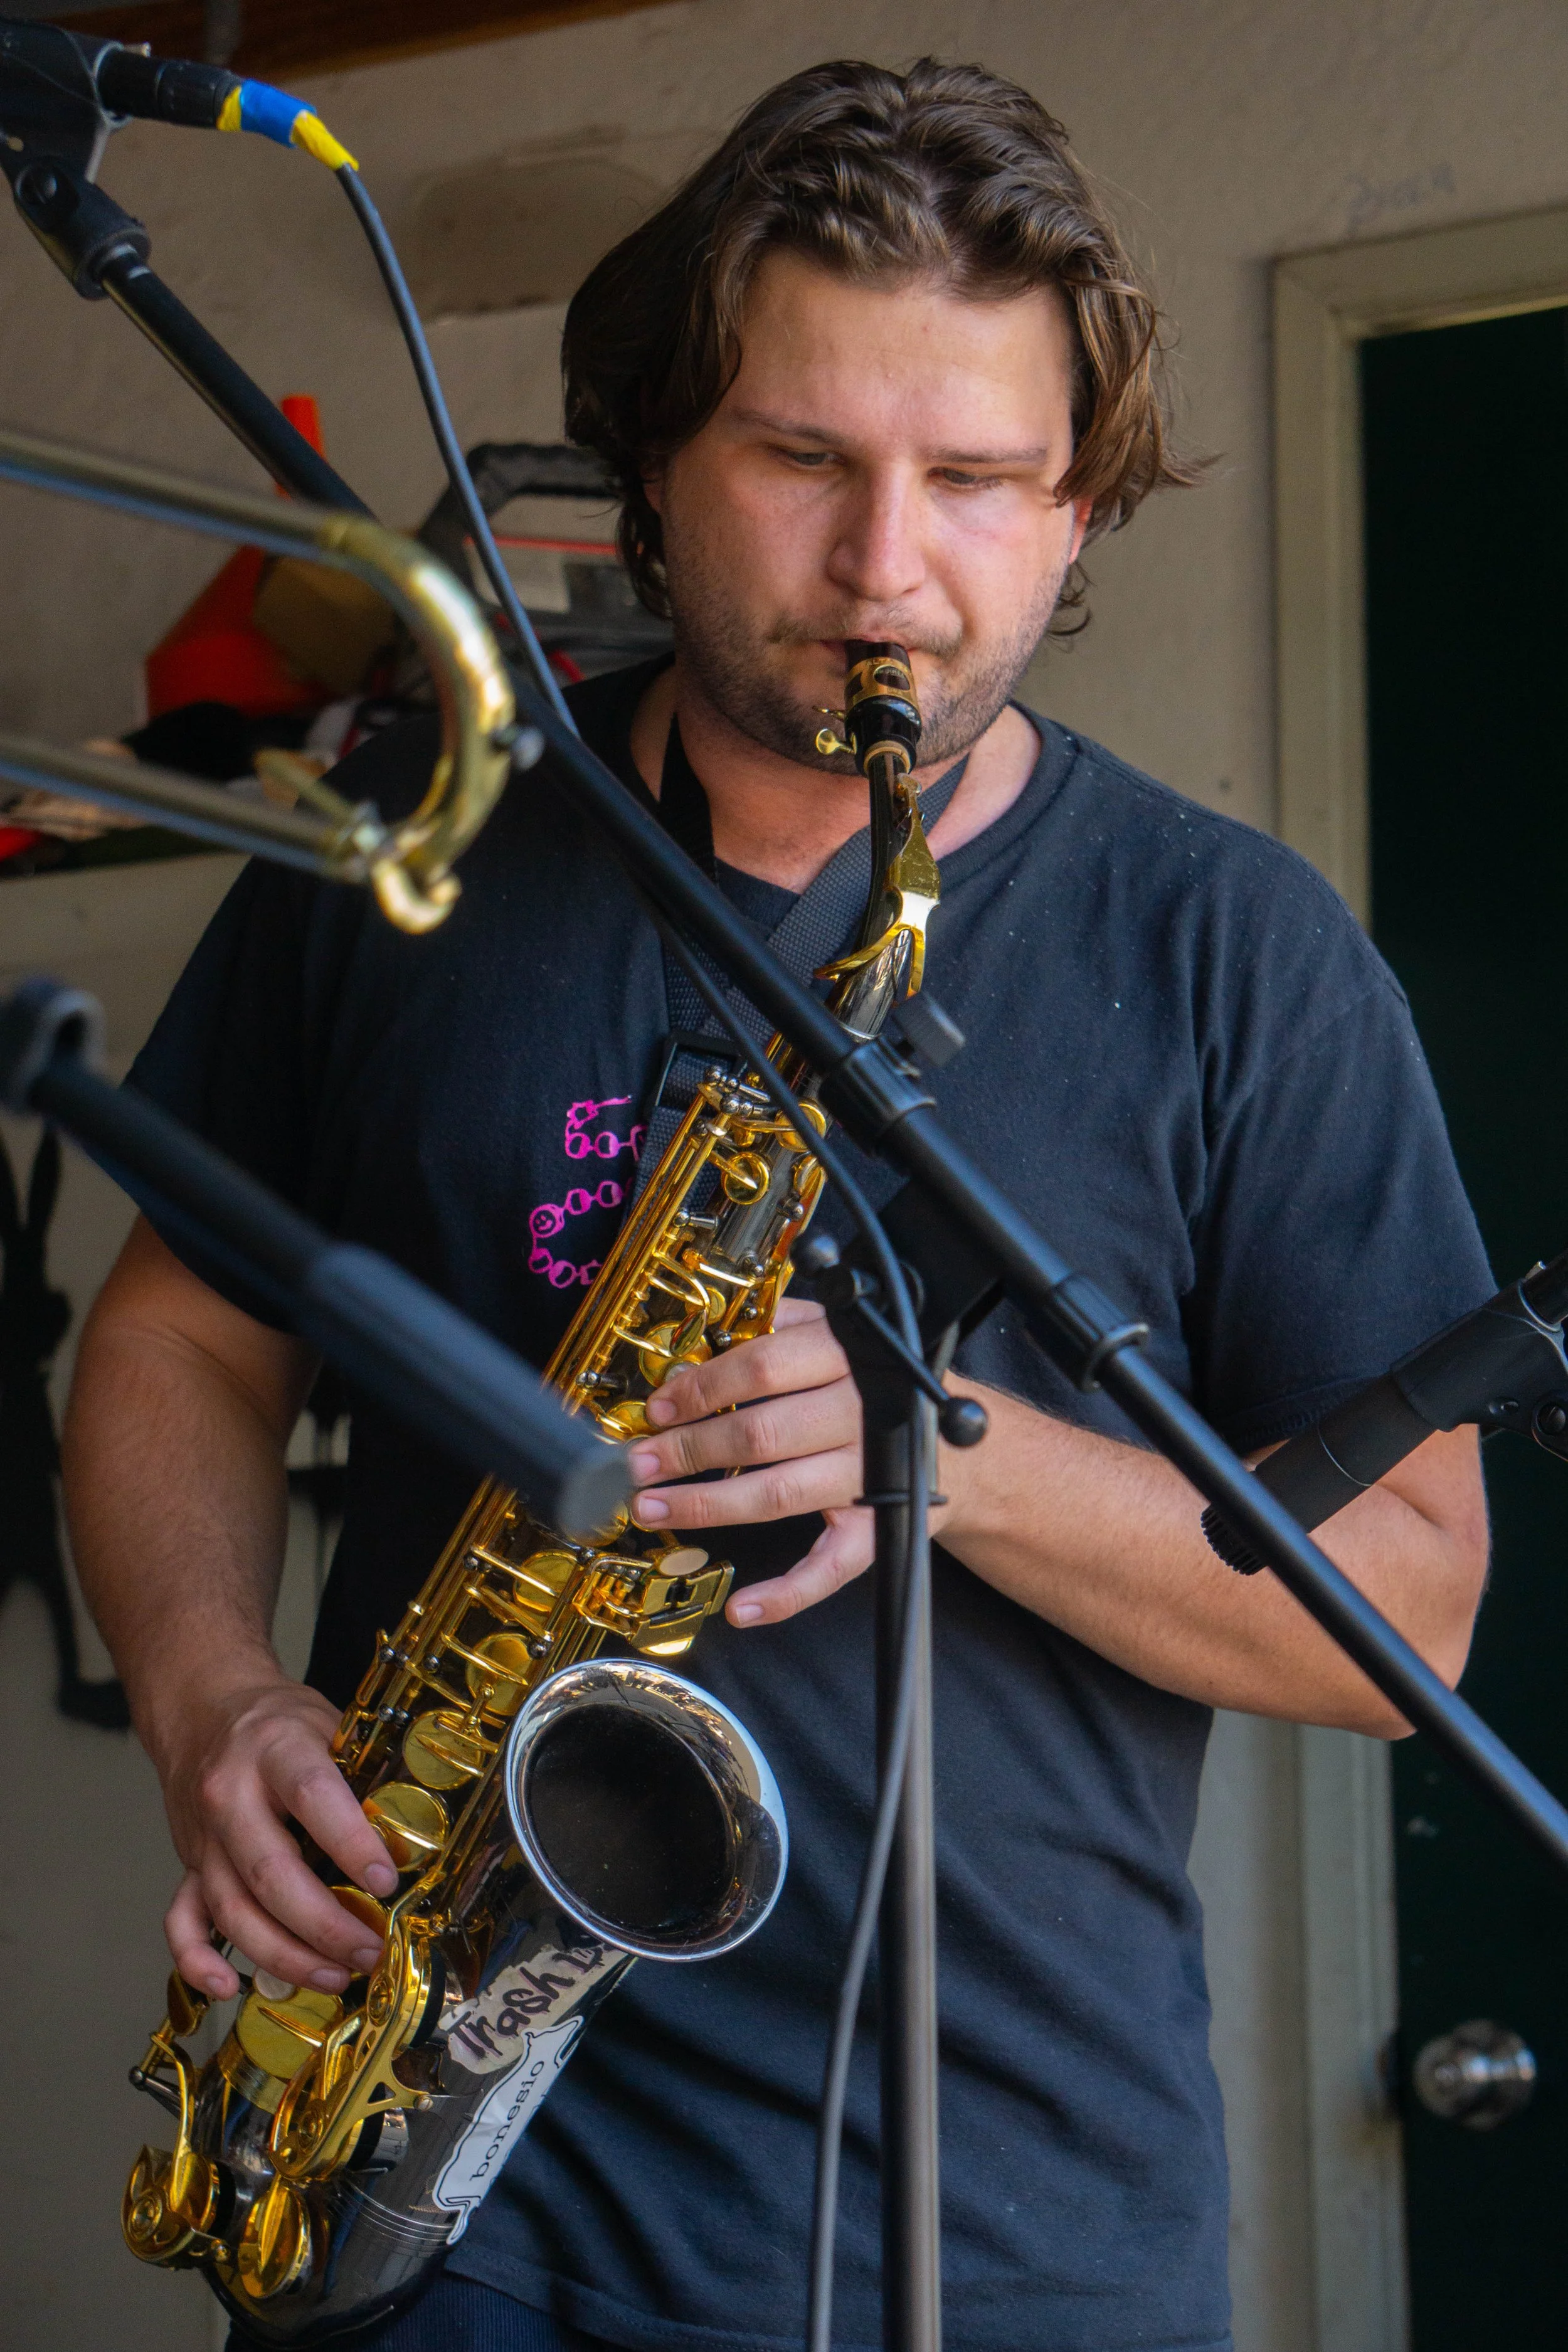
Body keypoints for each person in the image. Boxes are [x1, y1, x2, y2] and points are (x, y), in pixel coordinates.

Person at [65, 56, 1491, 2352]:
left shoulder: (1239, 955)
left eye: (978, 481)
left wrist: (951, 1456)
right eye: (803, 458)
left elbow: (1410, 1616)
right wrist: (215, 1699)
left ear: (1078, 511)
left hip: (1012, 2241)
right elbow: (174, 1340)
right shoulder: (409, 860)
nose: (884, 569)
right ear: (654, 463)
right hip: (426, 2208)